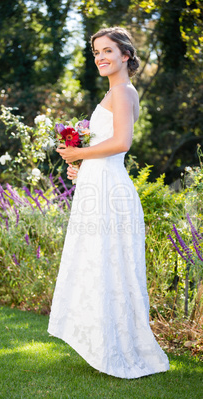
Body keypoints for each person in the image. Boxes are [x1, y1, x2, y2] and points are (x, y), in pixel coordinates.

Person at [48, 27, 169, 379]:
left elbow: (121, 142)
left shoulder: (123, 91)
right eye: (96, 52)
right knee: (99, 262)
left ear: (125, 56)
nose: (100, 57)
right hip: (97, 185)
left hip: (110, 191)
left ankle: (120, 348)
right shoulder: (113, 91)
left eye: (107, 51)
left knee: (111, 262)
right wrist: (82, 167)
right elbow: (105, 147)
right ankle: (105, 343)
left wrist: (78, 152)